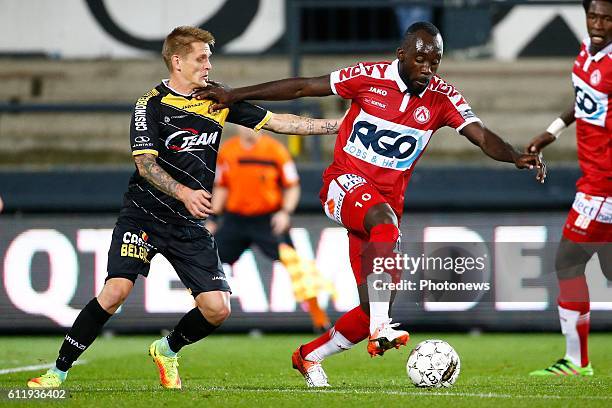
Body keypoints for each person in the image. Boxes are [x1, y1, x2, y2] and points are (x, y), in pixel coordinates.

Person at [196, 21, 546, 387]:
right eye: (421, 59)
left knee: (369, 307)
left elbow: (482, 135)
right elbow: (303, 85)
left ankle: (310, 356)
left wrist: (515, 156)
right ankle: (383, 327)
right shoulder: (368, 76)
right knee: (384, 227)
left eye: (435, 61)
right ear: (402, 55)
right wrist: (235, 95)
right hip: (342, 186)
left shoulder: (442, 97)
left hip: (382, 208)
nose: (428, 68)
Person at [26, 26, 341, 390]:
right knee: (116, 291)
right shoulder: (150, 104)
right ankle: (58, 372)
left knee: (217, 309)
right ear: (177, 61)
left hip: (188, 223)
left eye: (209, 57)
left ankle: (167, 348)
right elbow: (145, 164)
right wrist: (184, 192)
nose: (208, 64)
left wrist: (339, 125)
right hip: (144, 215)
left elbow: (280, 122)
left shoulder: (217, 99)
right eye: (200, 57)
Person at [527, 0, 611, 377]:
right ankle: (577, 360)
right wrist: (552, 131)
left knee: (568, 261)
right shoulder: (587, 51)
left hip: (603, 185)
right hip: (591, 179)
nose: (599, 23)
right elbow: (583, 101)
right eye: (594, 15)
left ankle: (577, 362)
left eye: (608, 18)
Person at [207, 126, 332, 332]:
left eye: (251, 123)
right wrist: (213, 217)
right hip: (234, 220)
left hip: (267, 220)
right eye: (243, 123)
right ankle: (197, 318)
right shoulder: (228, 152)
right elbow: (222, 186)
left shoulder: (275, 151)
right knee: (207, 264)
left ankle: (319, 319)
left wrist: (285, 212)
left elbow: (292, 186)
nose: (247, 128)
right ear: (237, 126)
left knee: (296, 265)